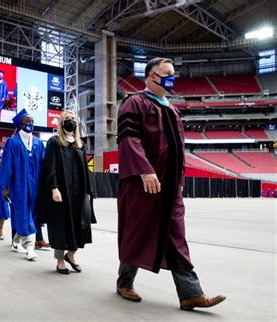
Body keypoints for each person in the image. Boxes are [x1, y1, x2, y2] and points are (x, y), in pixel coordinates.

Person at [116, 57, 225, 311]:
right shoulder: (135, 103)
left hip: (171, 188)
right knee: (138, 232)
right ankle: (124, 282)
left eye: (173, 73)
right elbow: (129, 139)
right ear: (151, 76)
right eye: (166, 73)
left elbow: (178, 151)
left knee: (176, 237)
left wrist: (180, 181)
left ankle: (190, 294)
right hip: (143, 185)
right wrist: (144, 170)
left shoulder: (172, 110)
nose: (171, 78)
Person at [37, 111, 95, 274]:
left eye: (73, 119)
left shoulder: (80, 144)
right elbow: (50, 166)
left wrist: (89, 190)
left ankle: (71, 254)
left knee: (81, 225)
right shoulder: (54, 142)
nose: (71, 122)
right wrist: (54, 188)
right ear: (61, 123)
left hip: (79, 192)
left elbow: (86, 169)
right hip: (62, 192)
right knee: (61, 226)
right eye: (67, 119)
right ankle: (60, 260)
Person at [0, 109, 44, 260]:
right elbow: (7, 165)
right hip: (18, 185)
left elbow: (44, 165)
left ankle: (16, 241)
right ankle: (29, 247)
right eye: (27, 122)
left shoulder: (38, 143)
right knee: (24, 214)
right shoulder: (13, 142)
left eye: (32, 122)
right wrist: (5, 186)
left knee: (31, 214)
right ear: (20, 124)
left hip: (36, 184)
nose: (30, 124)